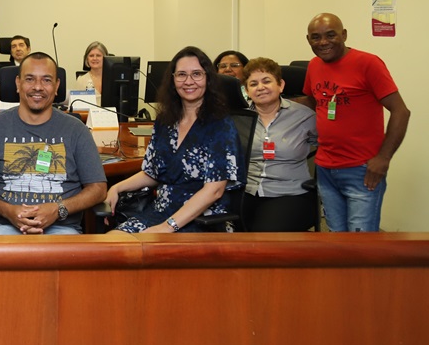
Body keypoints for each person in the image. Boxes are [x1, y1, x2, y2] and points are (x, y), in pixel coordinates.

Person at [0, 53, 106, 234]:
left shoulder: (76, 130)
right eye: (30, 79)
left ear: (57, 86)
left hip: (61, 229)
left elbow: (98, 189)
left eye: (46, 80)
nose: (38, 87)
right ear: (18, 83)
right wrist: (8, 211)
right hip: (5, 228)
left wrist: (58, 209)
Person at [106, 46, 239, 233]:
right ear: (173, 80)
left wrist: (166, 227)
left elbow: (214, 190)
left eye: (197, 74)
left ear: (208, 79)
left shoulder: (220, 125)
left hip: (202, 219)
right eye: (181, 74)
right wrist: (116, 188)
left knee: (136, 248)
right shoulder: (166, 120)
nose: (188, 81)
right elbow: (152, 173)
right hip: (162, 211)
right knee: (113, 241)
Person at [302, 12, 409, 232]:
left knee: (361, 243)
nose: (323, 42)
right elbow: (313, 101)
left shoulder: (368, 63)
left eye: (330, 35)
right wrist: (271, 101)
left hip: (362, 170)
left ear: (344, 35)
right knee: (336, 236)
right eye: (316, 37)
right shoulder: (313, 65)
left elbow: (401, 111)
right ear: (308, 40)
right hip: (325, 168)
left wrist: (384, 158)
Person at [239, 57, 317, 231]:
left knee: (264, 236)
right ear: (247, 91)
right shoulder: (240, 118)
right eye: (253, 84)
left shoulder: (304, 116)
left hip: (290, 193)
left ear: (280, 85)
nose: (260, 87)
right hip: (247, 191)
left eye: (266, 81)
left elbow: (328, 145)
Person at [73, 41, 108, 105]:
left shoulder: (113, 79)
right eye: (91, 56)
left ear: (105, 58)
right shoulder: (81, 80)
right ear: (87, 59)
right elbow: (77, 106)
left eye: (98, 55)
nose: (95, 58)